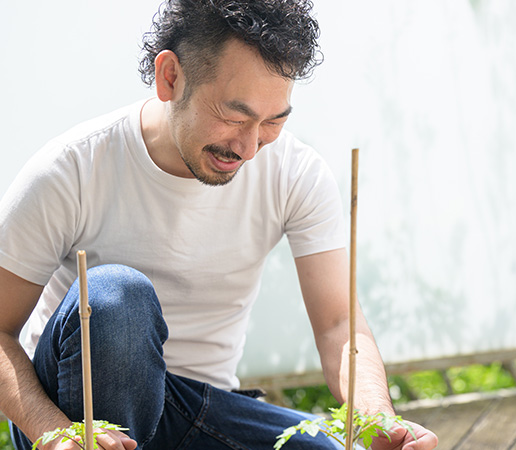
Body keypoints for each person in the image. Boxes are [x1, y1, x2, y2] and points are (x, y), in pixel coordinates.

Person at [0, 1, 438, 449]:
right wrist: (52, 435)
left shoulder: (296, 173)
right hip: (77, 415)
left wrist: (377, 415)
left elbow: (337, 324)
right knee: (116, 296)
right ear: (170, 77)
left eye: (272, 122)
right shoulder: (70, 169)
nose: (249, 148)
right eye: (234, 116)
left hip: (204, 409)